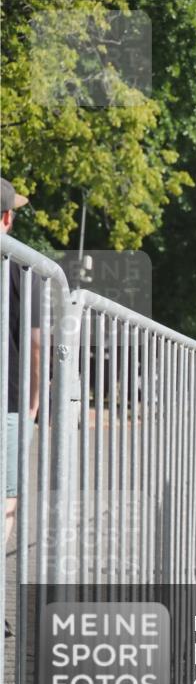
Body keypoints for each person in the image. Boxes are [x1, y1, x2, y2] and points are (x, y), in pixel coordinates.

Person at [1, 177, 39, 639]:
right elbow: (34, 347)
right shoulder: (22, 267)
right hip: (6, 402)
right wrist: (33, 404)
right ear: (7, 217)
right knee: (5, 505)